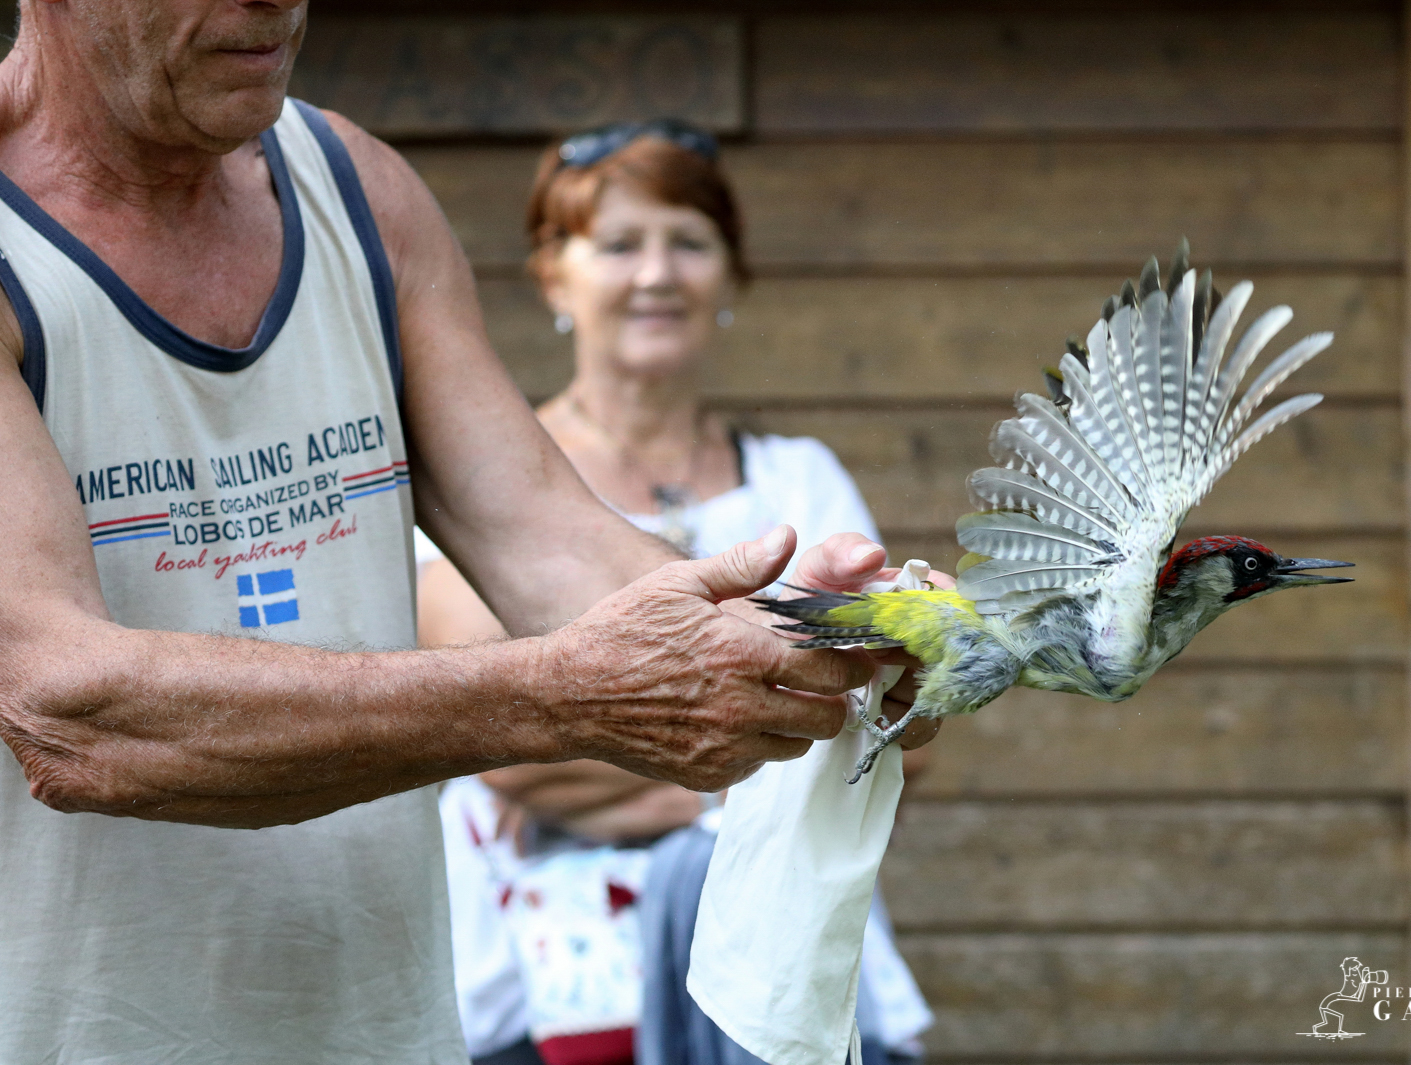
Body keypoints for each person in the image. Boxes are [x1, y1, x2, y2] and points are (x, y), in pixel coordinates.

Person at [0, 2, 936, 1062]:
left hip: (391, 1032)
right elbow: (70, 715)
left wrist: (800, 641)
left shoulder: (355, 188)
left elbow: (543, 536)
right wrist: (561, 694)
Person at [417, 121, 933, 1065]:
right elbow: (499, 745)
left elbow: (896, 724)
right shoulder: (485, 480)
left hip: (785, 967)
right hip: (545, 993)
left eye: (689, 243)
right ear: (553, 278)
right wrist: (769, 758)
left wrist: (619, 743)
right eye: (619, 245)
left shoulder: (800, 480)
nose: (657, 274)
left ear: (731, 277)